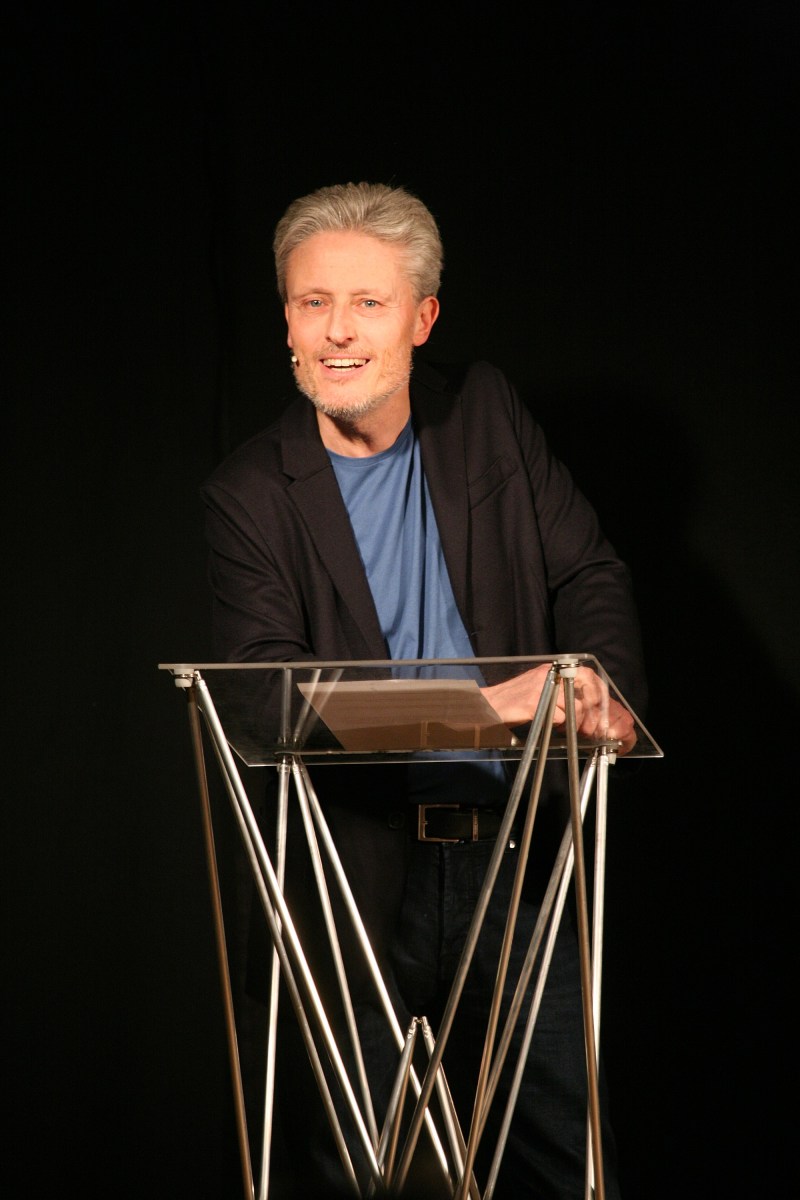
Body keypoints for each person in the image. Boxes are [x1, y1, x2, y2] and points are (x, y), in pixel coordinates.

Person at [201, 181, 648, 1199]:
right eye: (313, 303)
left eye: (367, 302)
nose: (337, 333)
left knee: (566, 1158)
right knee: (366, 1172)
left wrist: (598, 687)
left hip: (516, 859)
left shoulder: (483, 414)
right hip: (355, 879)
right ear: (286, 321)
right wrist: (484, 709)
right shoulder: (248, 494)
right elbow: (268, 700)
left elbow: (589, 574)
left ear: (421, 317)